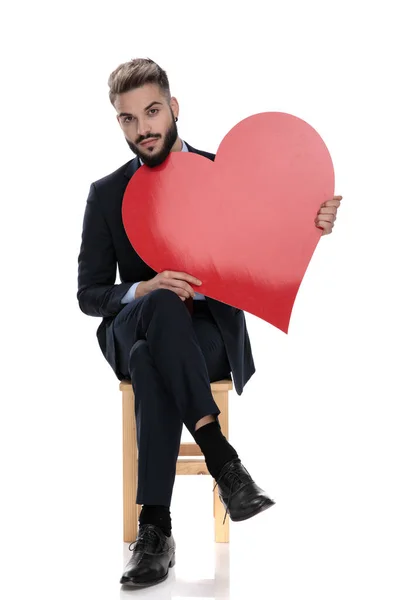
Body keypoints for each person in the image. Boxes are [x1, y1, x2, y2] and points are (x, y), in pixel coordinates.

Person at [77, 57, 342, 589]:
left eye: (151, 112)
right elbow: (89, 294)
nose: (143, 128)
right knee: (157, 305)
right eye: (129, 119)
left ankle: (154, 531)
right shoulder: (107, 193)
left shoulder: (222, 175)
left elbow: (268, 240)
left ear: (173, 108)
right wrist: (143, 289)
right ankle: (225, 463)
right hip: (135, 321)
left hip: (205, 341)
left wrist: (314, 221)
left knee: (147, 361)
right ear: (119, 124)